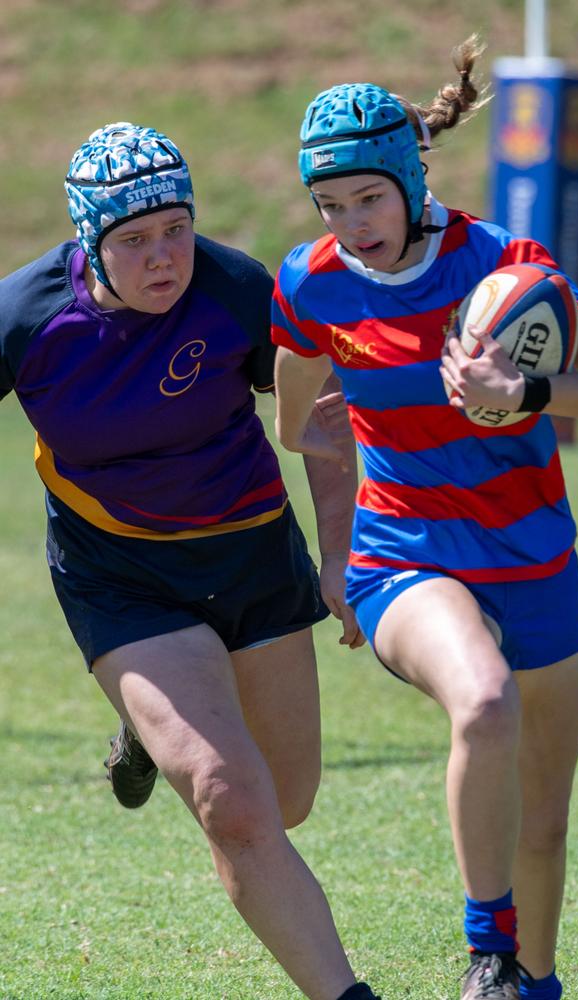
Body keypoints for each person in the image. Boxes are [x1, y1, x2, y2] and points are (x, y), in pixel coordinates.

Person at [271, 36, 578, 1000]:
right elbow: (303, 428)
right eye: (331, 206)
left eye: (368, 200)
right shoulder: (312, 283)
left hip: (534, 560)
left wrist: (523, 391)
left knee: (545, 823)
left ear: (408, 179)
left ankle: (533, 981)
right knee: (482, 698)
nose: (351, 225)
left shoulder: (508, 265)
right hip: (405, 555)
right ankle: (487, 949)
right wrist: (335, 545)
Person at [0, 121, 382, 1000]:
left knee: (285, 803)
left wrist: (338, 555)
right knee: (229, 797)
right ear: (90, 240)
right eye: (133, 241)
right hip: (121, 579)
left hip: (253, 557)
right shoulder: (28, 319)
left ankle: (150, 725)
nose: (164, 256)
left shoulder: (237, 290)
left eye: (176, 229)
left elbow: (323, 418)